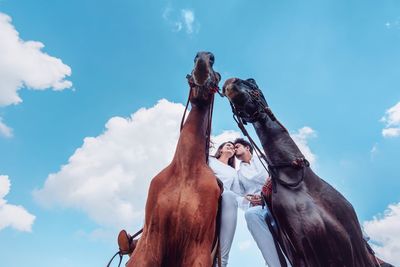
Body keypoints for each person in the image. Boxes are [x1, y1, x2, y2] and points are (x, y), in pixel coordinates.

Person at [232, 138, 289, 267]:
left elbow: (280, 172)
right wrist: (249, 199)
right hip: (259, 206)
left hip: (278, 199)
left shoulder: (264, 158)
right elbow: (238, 195)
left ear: (247, 147)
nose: (235, 149)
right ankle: (275, 264)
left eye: (237, 146)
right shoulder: (239, 174)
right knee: (250, 214)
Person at [208, 141, 239, 267]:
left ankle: (222, 261)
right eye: (228, 145)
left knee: (231, 196)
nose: (231, 148)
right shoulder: (209, 160)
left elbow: (237, 192)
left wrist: (249, 199)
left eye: (233, 148)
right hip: (207, 192)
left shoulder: (233, 172)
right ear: (220, 149)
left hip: (224, 198)